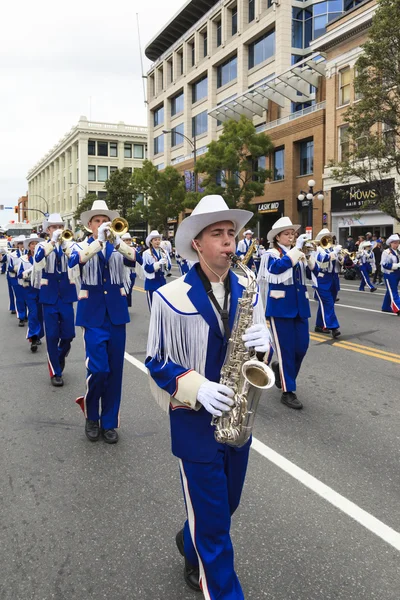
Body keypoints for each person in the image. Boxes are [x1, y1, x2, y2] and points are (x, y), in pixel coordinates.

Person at [146, 195, 271, 599]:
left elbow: (254, 352)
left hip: (237, 420)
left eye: (231, 233)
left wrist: (264, 342)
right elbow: (155, 359)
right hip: (194, 423)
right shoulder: (170, 297)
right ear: (197, 244)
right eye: (217, 234)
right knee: (216, 528)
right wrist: (197, 386)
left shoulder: (249, 286)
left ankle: (189, 539)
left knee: (224, 507)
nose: (229, 242)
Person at [68, 200, 137, 444]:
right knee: (98, 369)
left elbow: (133, 258)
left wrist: (116, 241)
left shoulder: (119, 245)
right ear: (89, 225)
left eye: (105, 220)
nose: (102, 224)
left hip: (116, 313)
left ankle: (109, 422)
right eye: (97, 220)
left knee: (115, 372)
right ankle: (91, 414)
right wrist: (98, 241)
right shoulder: (79, 245)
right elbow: (74, 262)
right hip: (93, 314)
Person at [257, 217, 318, 410]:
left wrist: (309, 257)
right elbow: (275, 271)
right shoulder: (271, 254)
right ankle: (288, 390)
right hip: (280, 308)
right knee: (285, 350)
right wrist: (295, 253)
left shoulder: (296, 253)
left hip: (300, 307)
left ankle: (281, 371)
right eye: (287, 234)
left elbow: (311, 273)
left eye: (293, 233)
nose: (291, 236)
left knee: (301, 347)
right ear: (277, 237)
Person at [33, 214, 77, 387]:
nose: (58, 229)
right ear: (48, 230)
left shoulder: (71, 244)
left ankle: (59, 356)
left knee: (69, 335)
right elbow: (37, 259)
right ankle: (56, 372)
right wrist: (52, 242)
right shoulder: (42, 245)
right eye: (53, 227)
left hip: (66, 294)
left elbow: (76, 262)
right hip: (49, 295)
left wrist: (65, 246)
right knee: (52, 335)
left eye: (60, 226)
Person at [313, 228, 342, 338]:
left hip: (333, 279)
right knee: (328, 303)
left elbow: (341, 263)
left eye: (329, 237)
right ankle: (333, 327)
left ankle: (319, 325)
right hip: (322, 279)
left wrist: (342, 257)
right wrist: (335, 252)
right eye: (326, 237)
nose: (328, 239)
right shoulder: (317, 249)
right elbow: (322, 259)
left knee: (326, 304)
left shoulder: (332, 249)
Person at [18, 234, 44, 352]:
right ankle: (33, 337)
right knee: (33, 313)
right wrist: (26, 274)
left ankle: (38, 335)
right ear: (28, 246)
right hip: (29, 290)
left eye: (36, 244)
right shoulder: (23, 259)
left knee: (40, 314)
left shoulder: (44, 258)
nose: (34, 246)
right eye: (32, 244)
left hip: (42, 290)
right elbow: (19, 274)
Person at [143, 230, 171, 310]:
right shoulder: (146, 253)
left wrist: (165, 264)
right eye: (155, 240)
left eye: (159, 239)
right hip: (152, 284)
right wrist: (158, 264)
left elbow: (169, 267)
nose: (157, 241)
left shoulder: (164, 252)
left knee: (162, 308)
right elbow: (147, 268)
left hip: (162, 283)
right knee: (153, 308)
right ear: (151, 242)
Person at [7, 235, 27, 326]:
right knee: (19, 298)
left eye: (23, 243)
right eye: (20, 243)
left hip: (28, 280)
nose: (22, 245)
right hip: (16, 279)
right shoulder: (12, 255)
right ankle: (21, 317)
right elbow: (10, 267)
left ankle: (26, 315)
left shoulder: (30, 254)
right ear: (17, 244)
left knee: (28, 298)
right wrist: (16, 269)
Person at [121, 232, 143, 308]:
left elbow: (140, 261)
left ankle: (126, 306)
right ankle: (122, 306)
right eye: (126, 240)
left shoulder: (134, 250)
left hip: (131, 273)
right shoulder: (118, 250)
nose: (128, 242)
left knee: (129, 291)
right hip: (121, 274)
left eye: (129, 240)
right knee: (122, 291)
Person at [381, 234, 400, 315]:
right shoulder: (386, 252)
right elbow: (384, 264)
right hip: (390, 274)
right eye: (394, 243)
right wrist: (396, 265)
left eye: (398, 243)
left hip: (397, 273)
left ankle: (385, 307)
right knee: (394, 291)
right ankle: (398, 308)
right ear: (390, 243)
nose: (396, 244)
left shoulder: (398, 251)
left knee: (390, 291)